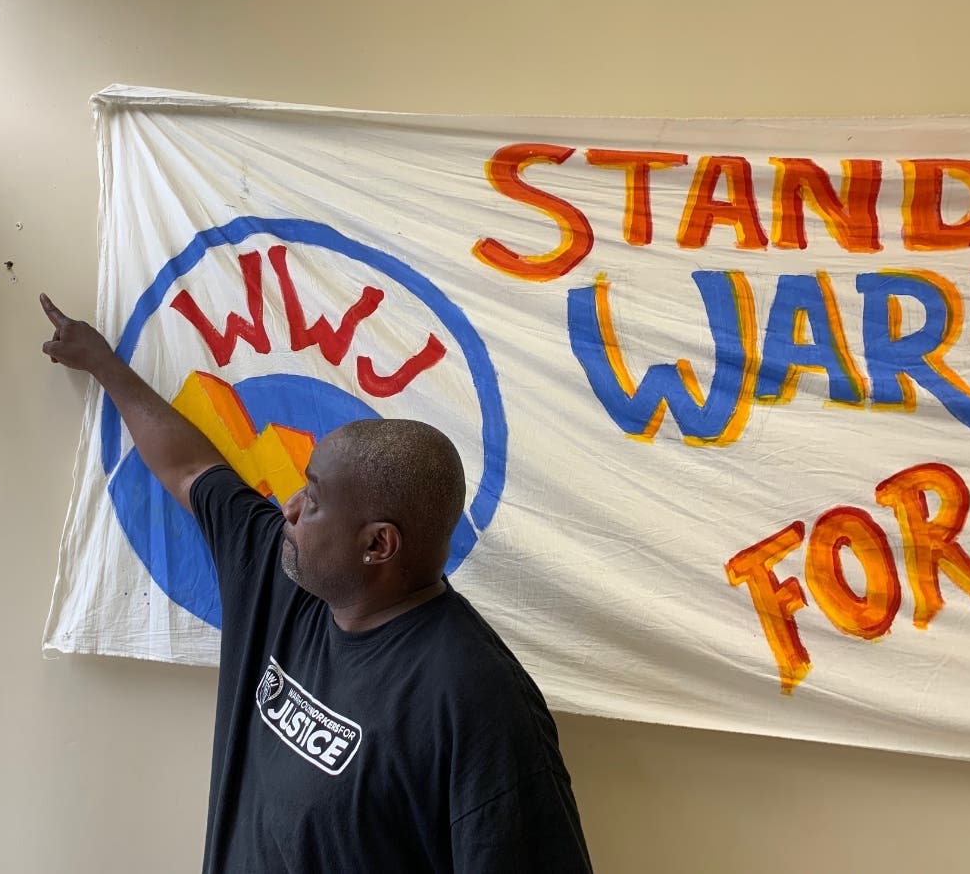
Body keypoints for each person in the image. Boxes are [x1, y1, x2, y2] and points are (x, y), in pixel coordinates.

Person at [40, 293, 594, 873]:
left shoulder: (478, 702)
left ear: (377, 545)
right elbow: (192, 469)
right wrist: (103, 364)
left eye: (315, 499)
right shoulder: (281, 576)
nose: (290, 507)